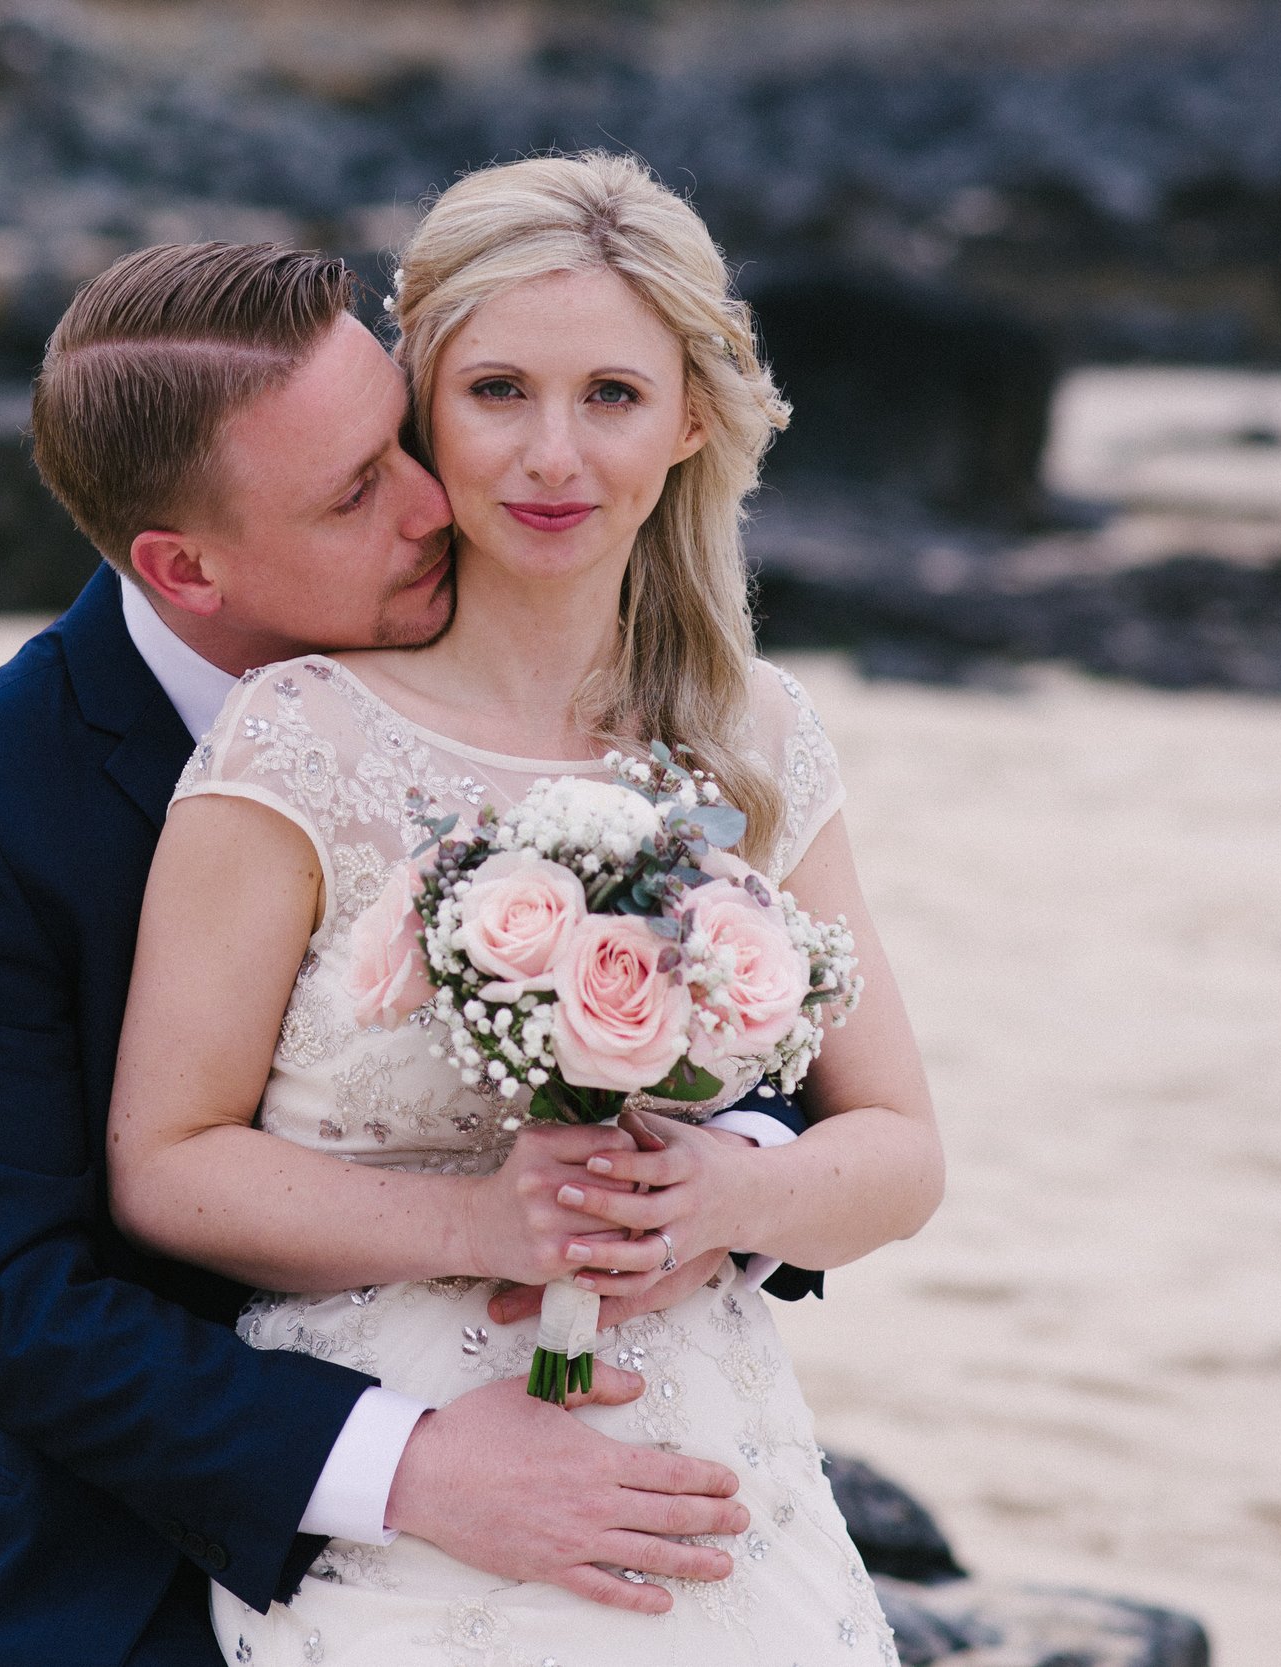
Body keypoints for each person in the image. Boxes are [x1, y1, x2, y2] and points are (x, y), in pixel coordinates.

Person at [0, 238, 819, 1667]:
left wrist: (693, 1178)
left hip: (598, 1448)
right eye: (359, 490)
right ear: (186, 566)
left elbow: (749, 1038)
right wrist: (415, 1470)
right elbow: (13, 1307)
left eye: (406, 435)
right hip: (143, 1548)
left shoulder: (569, 696)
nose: (441, 503)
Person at [104, 153, 943, 1663]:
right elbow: (167, 1166)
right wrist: (491, 1219)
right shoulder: (298, 735)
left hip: (705, 1470)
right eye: (499, 391)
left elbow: (899, 1152)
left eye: (611, 396)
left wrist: (735, 1198)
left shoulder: (755, 738)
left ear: (691, 416)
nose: (554, 455)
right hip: (406, 1469)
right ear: (421, 400)